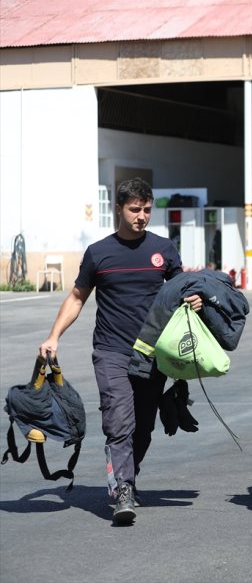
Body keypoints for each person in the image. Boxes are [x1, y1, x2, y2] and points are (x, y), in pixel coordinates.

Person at [39, 177, 201, 525]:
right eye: (134, 209)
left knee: (143, 427)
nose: (141, 216)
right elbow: (78, 296)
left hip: (152, 352)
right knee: (119, 421)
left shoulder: (163, 249)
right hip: (111, 349)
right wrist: (54, 336)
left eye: (146, 209)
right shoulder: (99, 252)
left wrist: (195, 297)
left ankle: (128, 476)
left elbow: (180, 289)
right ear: (119, 209)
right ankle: (122, 489)